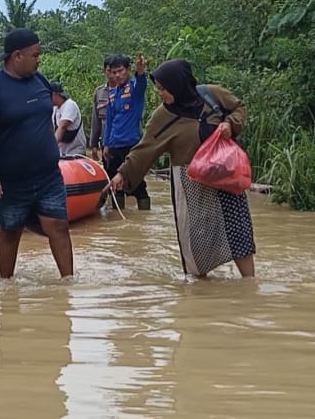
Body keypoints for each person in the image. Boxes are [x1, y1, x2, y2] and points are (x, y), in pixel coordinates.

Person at [107, 59, 255, 278]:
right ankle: (199, 289)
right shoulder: (162, 117)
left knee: (238, 233)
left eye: (163, 88)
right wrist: (122, 174)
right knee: (195, 241)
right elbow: (145, 148)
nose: (160, 93)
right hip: (191, 184)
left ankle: (249, 283)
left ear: (179, 84)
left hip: (225, 174)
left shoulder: (211, 94)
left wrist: (230, 124)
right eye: (158, 88)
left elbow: (239, 107)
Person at [0, 28, 74, 279]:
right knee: (10, 231)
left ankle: (69, 284)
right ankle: (6, 287)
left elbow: (44, 119)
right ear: (17, 55)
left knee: (59, 226)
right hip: (10, 180)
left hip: (48, 175)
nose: (39, 59)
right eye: (35, 54)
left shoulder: (40, 80)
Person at [102, 53, 152, 210]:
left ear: (128, 70)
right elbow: (109, 122)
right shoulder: (111, 94)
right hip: (114, 145)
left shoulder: (134, 88)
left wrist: (141, 71)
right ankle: (118, 218)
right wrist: (106, 144)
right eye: (114, 72)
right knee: (115, 185)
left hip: (131, 144)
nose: (117, 75)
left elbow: (142, 84)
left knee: (137, 185)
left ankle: (144, 217)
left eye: (121, 71)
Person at [49, 81, 86, 156]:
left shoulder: (70, 105)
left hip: (75, 153)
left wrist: (50, 149)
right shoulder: (55, 109)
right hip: (62, 153)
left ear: (54, 94)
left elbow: (62, 127)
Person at [87, 57, 113, 160]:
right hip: (104, 142)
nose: (112, 74)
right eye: (109, 71)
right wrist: (93, 144)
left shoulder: (126, 92)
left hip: (123, 142)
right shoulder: (99, 92)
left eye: (115, 71)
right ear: (104, 71)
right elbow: (96, 120)